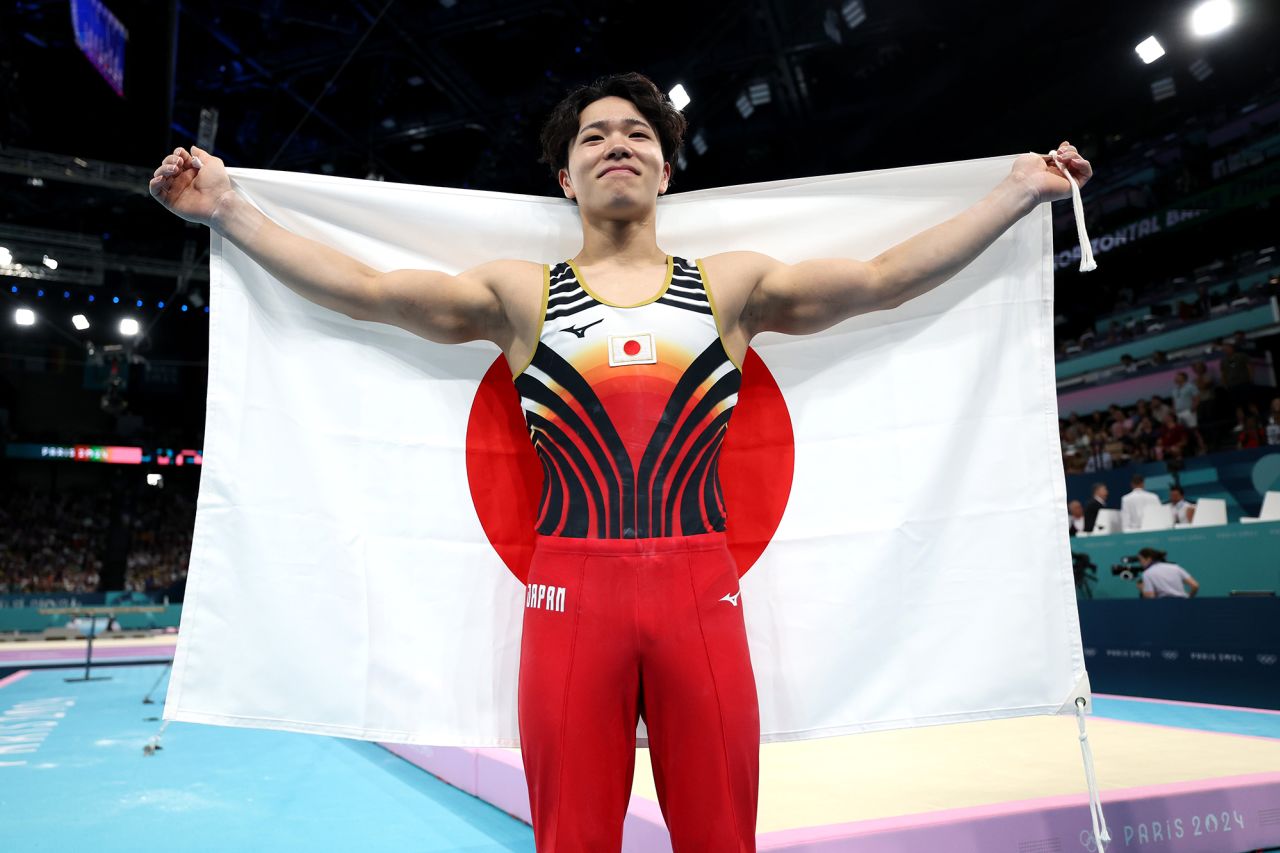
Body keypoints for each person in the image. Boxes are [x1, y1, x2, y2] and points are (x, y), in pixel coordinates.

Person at [148, 72, 1092, 852]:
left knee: (722, 835)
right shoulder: (521, 295)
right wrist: (228, 208)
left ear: (667, 169)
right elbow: (363, 291)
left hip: (700, 593)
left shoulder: (733, 285)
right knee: (573, 838)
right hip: (569, 597)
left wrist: (1016, 193)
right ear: (565, 178)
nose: (616, 146)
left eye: (636, 133)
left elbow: (885, 281)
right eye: (593, 136)